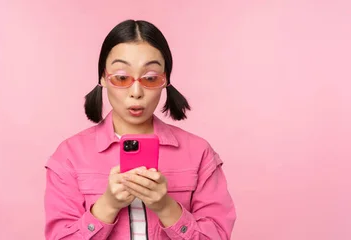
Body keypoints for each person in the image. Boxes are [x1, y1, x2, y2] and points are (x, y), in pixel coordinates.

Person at [44, 19, 236, 240]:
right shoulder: (69, 156)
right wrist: (107, 206)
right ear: (103, 79)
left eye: (150, 78)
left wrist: (165, 207)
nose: (136, 92)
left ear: (165, 81)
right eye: (122, 77)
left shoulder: (199, 153)